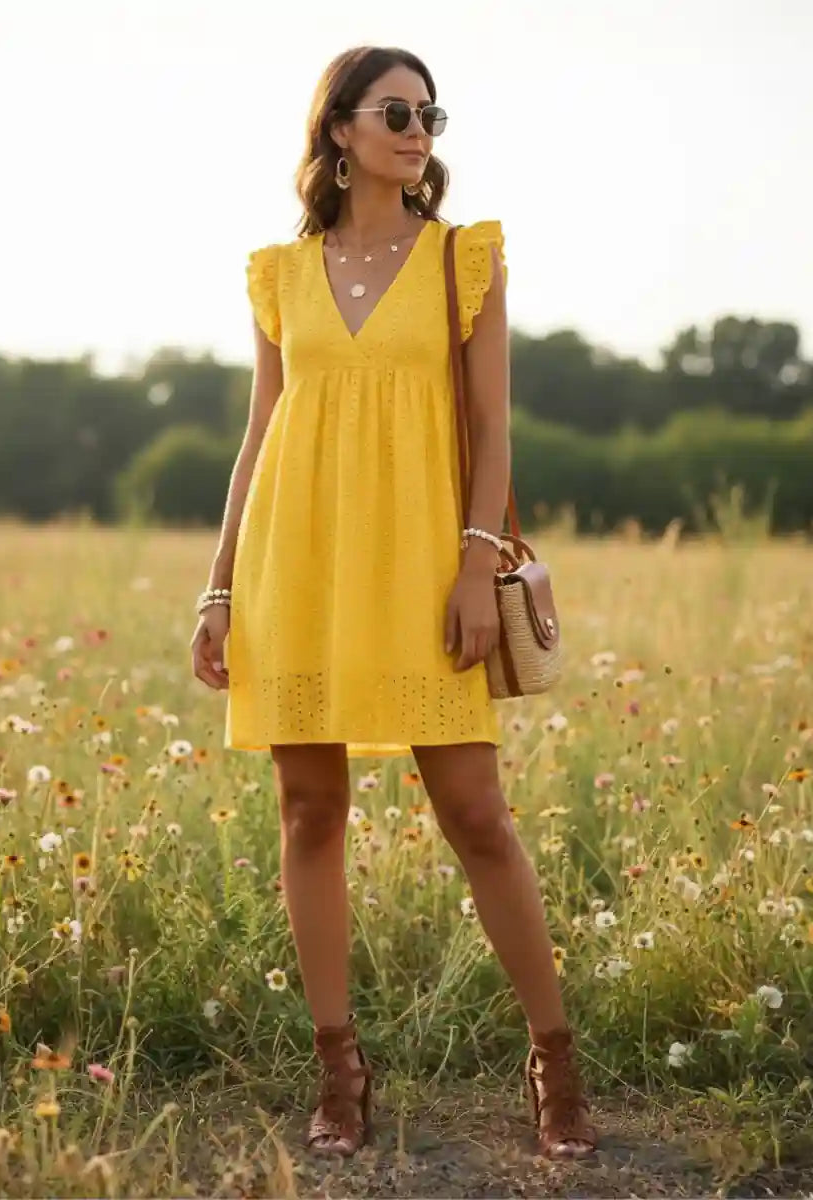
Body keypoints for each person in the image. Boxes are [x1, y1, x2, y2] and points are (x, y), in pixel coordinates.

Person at [190, 44, 597, 1162]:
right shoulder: (279, 271)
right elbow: (260, 433)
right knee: (311, 812)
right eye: (398, 111)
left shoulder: (465, 260)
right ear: (340, 133)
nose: (421, 130)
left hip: (425, 562)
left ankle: (554, 1060)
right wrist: (219, 586)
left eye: (430, 113)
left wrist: (475, 564)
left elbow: (492, 425)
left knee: (476, 813)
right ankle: (340, 1069)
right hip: (298, 560)